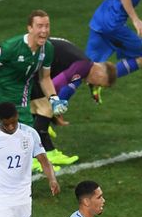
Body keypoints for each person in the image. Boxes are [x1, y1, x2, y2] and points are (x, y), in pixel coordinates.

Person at [0, 9, 68, 200]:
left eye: (47, 26)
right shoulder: (11, 46)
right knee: (7, 143)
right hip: (0, 98)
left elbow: (44, 78)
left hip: (22, 99)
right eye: (40, 26)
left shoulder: (47, 49)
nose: (44, 31)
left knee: (24, 141)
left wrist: (54, 99)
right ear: (30, 28)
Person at [28, 37, 118, 169]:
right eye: (98, 83)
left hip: (35, 62)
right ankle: (34, 158)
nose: (91, 84)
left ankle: (49, 152)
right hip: (31, 64)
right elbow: (53, 85)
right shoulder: (83, 67)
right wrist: (50, 113)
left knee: (41, 112)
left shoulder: (84, 64)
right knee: (44, 108)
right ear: (100, 74)